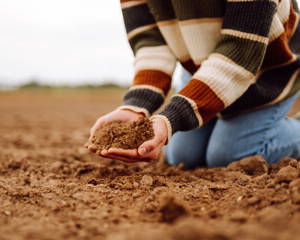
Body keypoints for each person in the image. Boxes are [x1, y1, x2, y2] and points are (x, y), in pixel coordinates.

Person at [86, 0, 300, 168]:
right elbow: (151, 44)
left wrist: (171, 118)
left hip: (267, 66)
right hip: (200, 68)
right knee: (183, 156)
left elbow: (240, 52)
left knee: (229, 155)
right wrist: (135, 105)